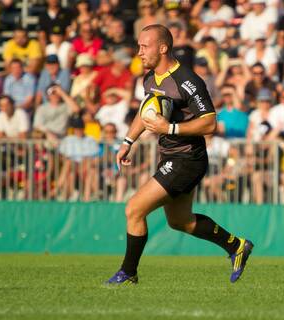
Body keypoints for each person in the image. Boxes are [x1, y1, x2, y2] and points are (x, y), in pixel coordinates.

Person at [105, 24, 253, 285]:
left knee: (134, 210)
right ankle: (236, 246)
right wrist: (128, 140)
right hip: (171, 156)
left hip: (187, 159)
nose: (139, 52)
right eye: (138, 46)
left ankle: (128, 272)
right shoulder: (149, 77)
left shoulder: (188, 81)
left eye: (144, 46)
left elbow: (210, 123)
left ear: (163, 48)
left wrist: (170, 127)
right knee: (180, 221)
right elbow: (145, 112)